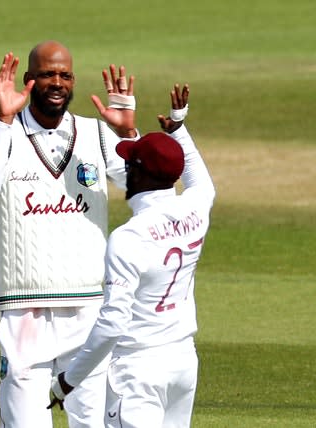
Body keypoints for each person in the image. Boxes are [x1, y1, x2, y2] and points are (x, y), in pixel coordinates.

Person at [0, 40, 139, 428]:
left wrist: (128, 135)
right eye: (47, 74)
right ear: (28, 80)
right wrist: (3, 122)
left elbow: (144, 187)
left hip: (88, 309)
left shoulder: (96, 133)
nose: (57, 82)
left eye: (64, 74)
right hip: (25, 310)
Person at [48, 84, 217, 428]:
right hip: (183, 363)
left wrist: (69, 380)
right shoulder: (196, 208)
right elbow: (201, 180)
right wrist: (180, 128)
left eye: (130, 164)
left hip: (138, 369)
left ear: (138, 174)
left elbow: (112, 323)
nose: (126, 169)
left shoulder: (129, 238)